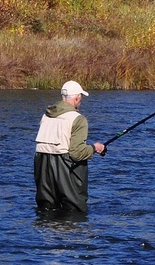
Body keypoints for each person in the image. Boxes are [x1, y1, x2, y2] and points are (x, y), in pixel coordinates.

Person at [34, 80, 107, 215]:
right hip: (65, 168)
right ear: (77, 98)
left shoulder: (46, 115)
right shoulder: (78, 119)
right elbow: (76, 153)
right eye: (81, 98)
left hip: (42, 166)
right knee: (74, 212)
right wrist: (94, 148)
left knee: (46, 211)